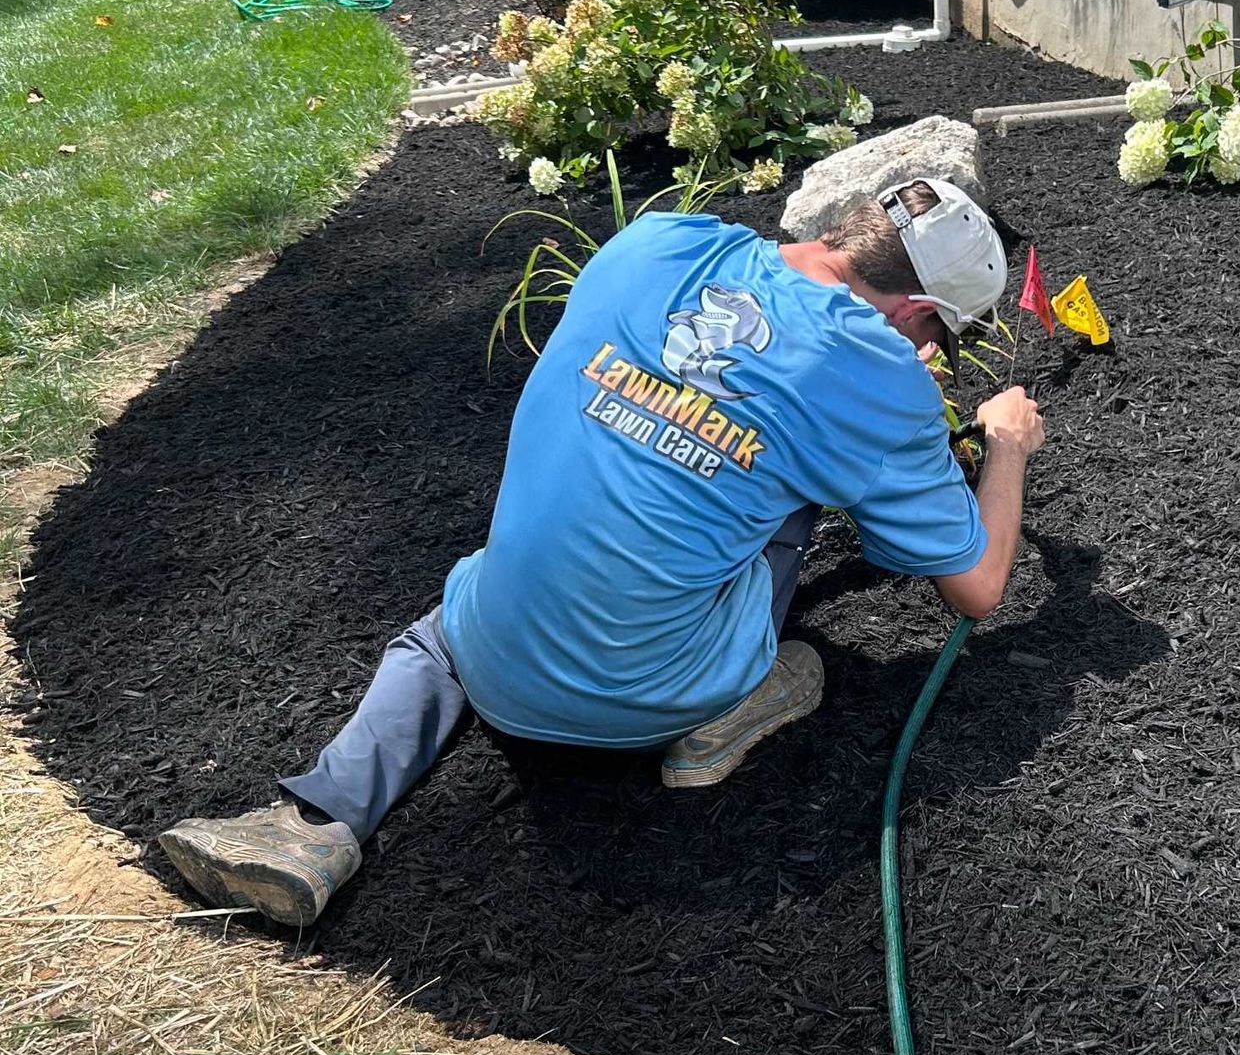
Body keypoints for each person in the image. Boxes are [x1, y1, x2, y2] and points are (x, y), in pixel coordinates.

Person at [159, 176, 1045, 931]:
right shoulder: (878, 376)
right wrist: (1004, 446)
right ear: (916, 310)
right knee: (794, 498)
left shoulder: (656, 244)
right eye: (941, 340)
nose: (933, 358)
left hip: (491, 656)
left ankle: (312, 824)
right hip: (652, 700)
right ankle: (730, 704)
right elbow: (976, 589)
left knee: (443, 632)